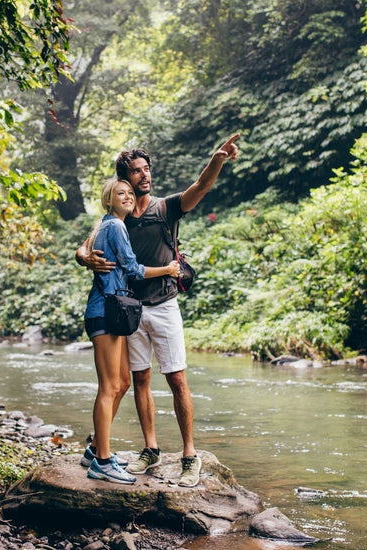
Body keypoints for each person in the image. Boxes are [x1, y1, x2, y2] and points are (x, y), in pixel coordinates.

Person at [76, 134, 240, 487]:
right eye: (136, 171)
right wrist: (86, 258)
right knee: (139, 380)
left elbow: (200, 186)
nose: (144, 175)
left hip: (164, 305)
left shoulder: (165, 207)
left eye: (147, 169)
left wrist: (218, 161)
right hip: (128, 310)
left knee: (177, 378)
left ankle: (189, 455)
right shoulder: (118, 214)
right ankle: (150, 449)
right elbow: (84, 247)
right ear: (124, 180)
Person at [82, 178, 180, 484]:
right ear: (108, 201)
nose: (126, 196)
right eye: (119, 194)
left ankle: (97, 447)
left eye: (128, 193)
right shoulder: (115, 226)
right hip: (105, 311)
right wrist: (168, 269)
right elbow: (133, 268)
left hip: (112, 312)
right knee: (109, 386)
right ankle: (101, 462)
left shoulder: (105, 225)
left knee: (123, 381)